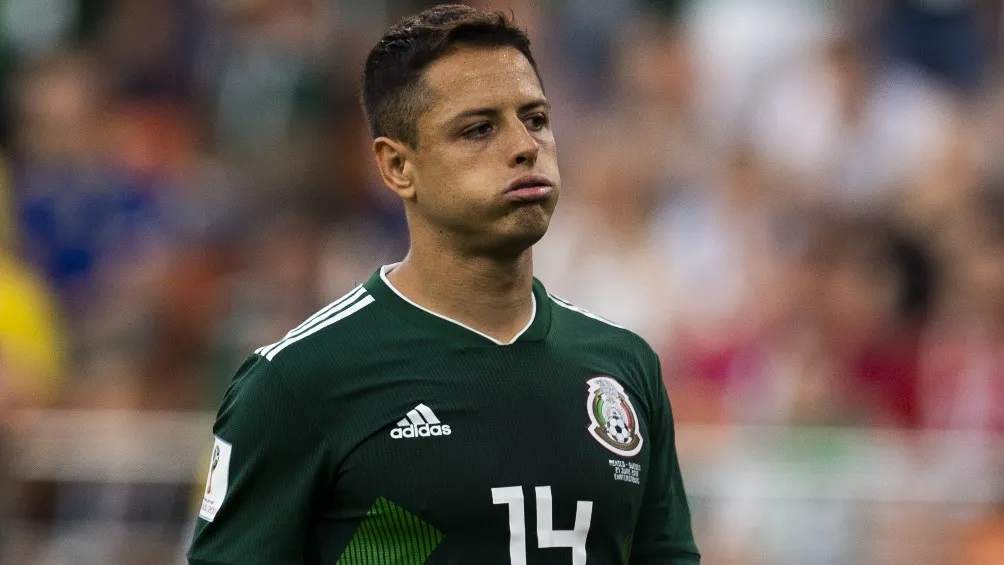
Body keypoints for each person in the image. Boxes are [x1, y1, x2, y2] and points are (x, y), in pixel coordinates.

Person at [187, 4, 699, 564]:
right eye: (478, 129)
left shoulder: (621, 366)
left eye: (536, 119)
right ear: (397, 167)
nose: (525, 146)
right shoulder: (298, 382)